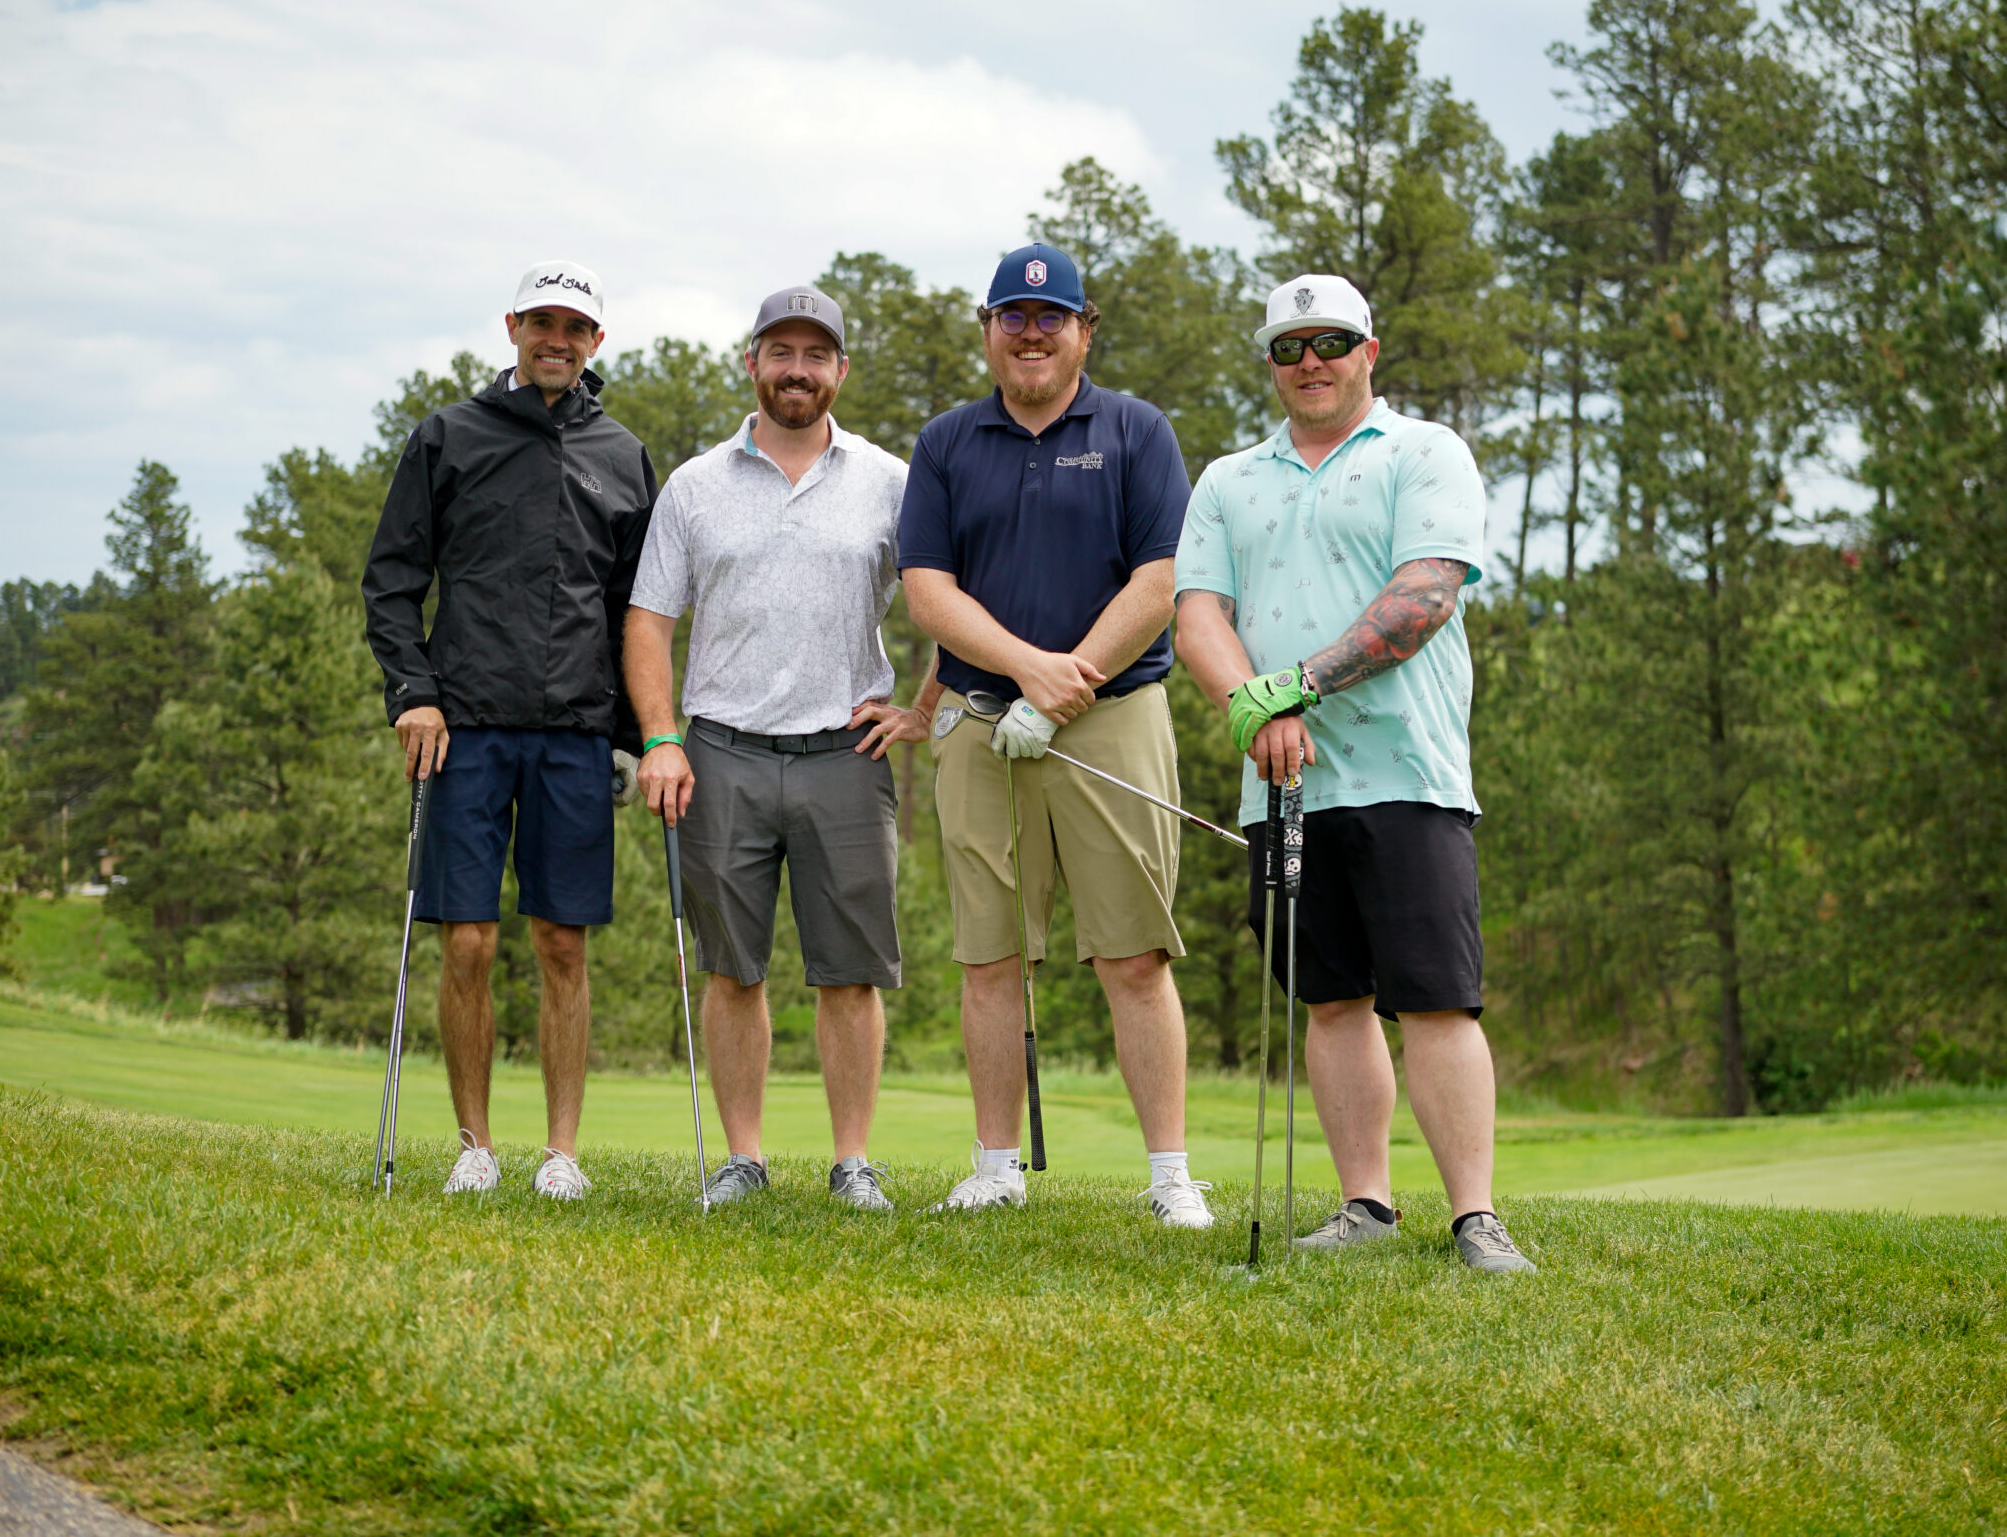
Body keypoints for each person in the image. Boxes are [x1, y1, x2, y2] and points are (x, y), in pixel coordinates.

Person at [1173, 273, 1536, 1273]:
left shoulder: (1423, 452)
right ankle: (1364, 1206)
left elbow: (1424, 597)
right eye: (1289, 348)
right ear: (1270, 364)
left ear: (1368, 351)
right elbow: (1198, 616)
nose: (1311, 362)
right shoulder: (1228, 480)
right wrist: (1250, 704)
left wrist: (1294, 684)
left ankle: (1475, 1217)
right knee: (1330, 997)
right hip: (1284, 784)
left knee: (1436, 1000)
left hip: (1407, 772)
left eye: (1330, 342)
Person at [899, 241, 1213, 1227]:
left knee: (1133, 956)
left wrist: (1065, 685)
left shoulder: (1135, 430)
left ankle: (1169, 1177)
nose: (1031, 334)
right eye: (1013, 318)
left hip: (1113, 718)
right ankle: (996, 1167)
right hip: (981, 724)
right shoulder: (947, 443)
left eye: (1051, 319)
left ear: (1084, 332)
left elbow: (1160, 581)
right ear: (989, 330)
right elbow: (927, 590)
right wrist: (1028, 672)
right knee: (990, 959)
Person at [625, 284, 926, 1212]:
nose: (798, 370)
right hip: (722, 752)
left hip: (847, 753)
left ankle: (852, 1163)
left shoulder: (889, 480)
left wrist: (920, 708)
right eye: (781, 352)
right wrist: (661, 737)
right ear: (751, 362)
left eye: (816, 354)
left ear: (841, 369)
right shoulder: (694, 484)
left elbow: (945, 596)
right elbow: (648, 622)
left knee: (851, 972)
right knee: (733, 968)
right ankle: (744, 1159)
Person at [362, 260, 657, 1202]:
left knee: (563, 943)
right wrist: (413, 692)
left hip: (575, 733)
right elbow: (392, 580)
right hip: (465, 726)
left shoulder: (623, 453)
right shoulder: (449, 436)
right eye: (542, 323)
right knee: (469, 943)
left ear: (596, 341)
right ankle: (475, 1145)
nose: (556, 341)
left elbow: (635, 609)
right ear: (513, 327)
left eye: (574, 327)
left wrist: (634, 734)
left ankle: (561, 1153)